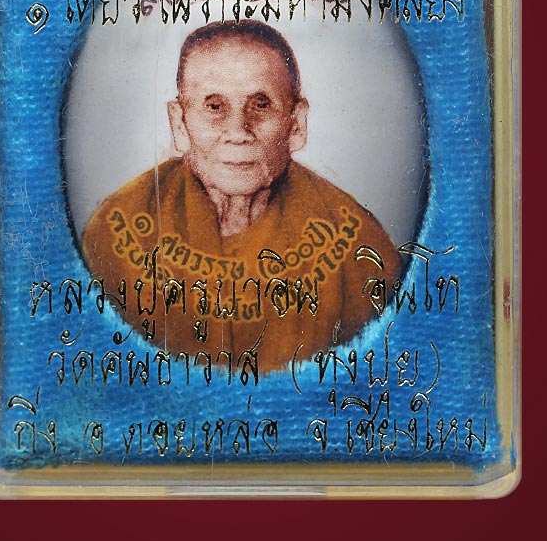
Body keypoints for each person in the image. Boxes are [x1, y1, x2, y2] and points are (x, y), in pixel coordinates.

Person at [81, 21, 401, 369]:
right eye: (214, 107)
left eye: (260, 105)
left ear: (296, 124)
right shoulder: (119, 229)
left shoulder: (354, 242)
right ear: (180, 124)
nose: (238, 132)